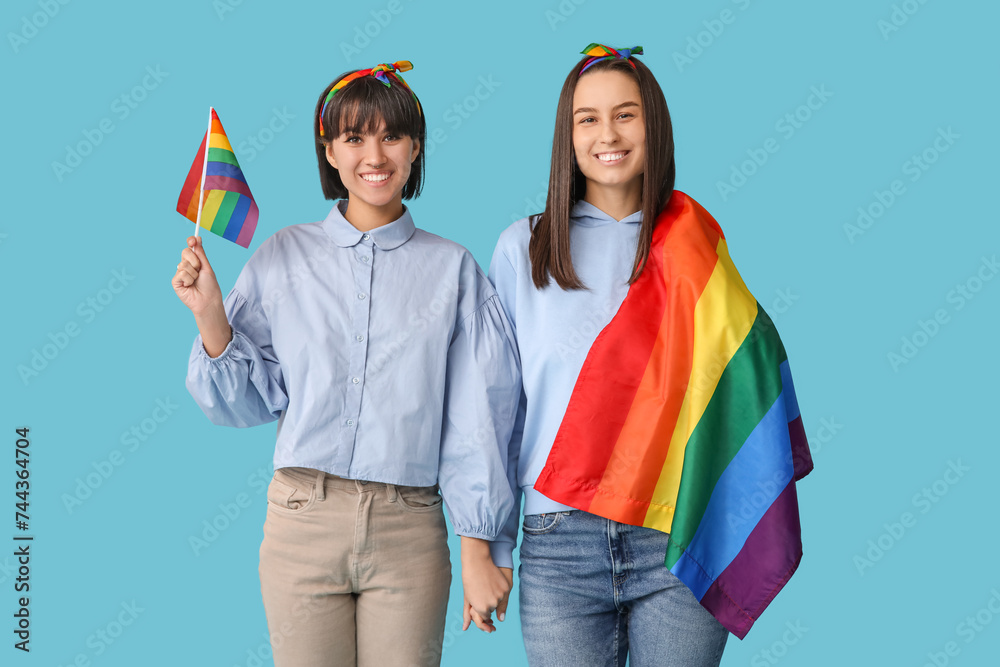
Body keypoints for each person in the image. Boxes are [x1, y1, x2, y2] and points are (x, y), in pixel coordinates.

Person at [172, 61, 518, 666]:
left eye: (391, 136)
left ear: (415, 147)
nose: (373, 154)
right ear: (329, 151)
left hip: (409, 528)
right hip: (302, 522)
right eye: (354, 137)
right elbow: (248, 402)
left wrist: (478, 546)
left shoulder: (454, 270)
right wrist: (209, 314)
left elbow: (478, 420)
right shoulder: (283, 256)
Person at [488, 45, 740, 665]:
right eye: (588, 118)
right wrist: (485, 542)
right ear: (567, 135)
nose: (608, 134)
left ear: (653, 125)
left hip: (674, 529)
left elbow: (732, 386)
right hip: (557, 538)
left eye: (626, 115)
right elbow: (495, 407)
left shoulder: (693, 239)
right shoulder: (525, 247)